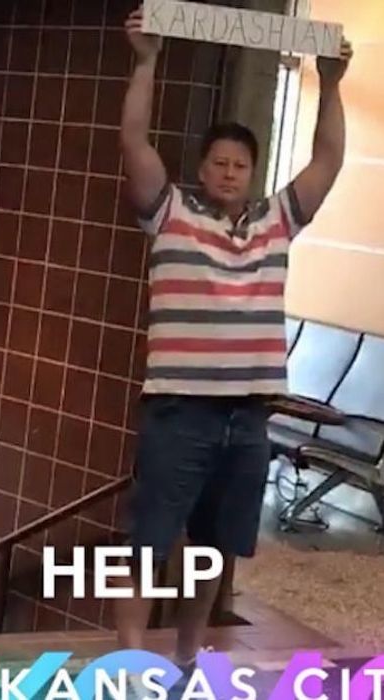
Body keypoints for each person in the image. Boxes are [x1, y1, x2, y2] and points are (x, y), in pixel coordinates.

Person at [115, 5, 351, 674]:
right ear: (200, 169)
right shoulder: (168, 214)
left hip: (248, 418)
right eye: (218, 162)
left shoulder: (277, 222)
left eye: (239, 164)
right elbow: (133, 142)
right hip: (178, 413)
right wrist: (146, 61)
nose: (228, 171)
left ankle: (188, 660)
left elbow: (328, 159)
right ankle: (130, 665)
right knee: (146, 545)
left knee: (213, 551)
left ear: (252, 172)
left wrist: (330, 83)